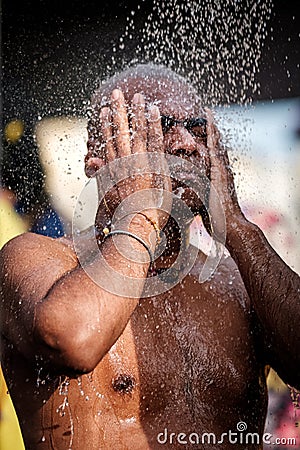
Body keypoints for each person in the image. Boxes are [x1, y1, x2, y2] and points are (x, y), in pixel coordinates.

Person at [0, 63, 299, 450]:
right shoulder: (36, 258)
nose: (186, 144)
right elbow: (72, 340)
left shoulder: (236, 280)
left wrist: (239, 228)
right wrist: (142, 213)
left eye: (196, 129)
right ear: (98, 154)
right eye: (161, 125)